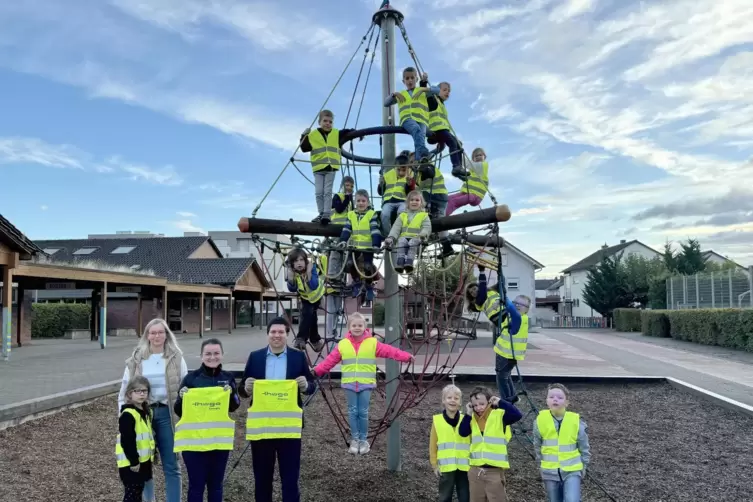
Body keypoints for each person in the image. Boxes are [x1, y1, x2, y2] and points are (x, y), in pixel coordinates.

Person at [239, 317, 317, 502]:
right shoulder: (255, 357)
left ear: (287, 335)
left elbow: (312, 385)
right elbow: (242, 389)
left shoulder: (298, 357)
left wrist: (306, 385)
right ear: (267, 335)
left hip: (288, 429)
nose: (277, 335)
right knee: (262, 479)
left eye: (281, 332)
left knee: (290, 479)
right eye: (273, 332)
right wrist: (245, 388)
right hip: (262, 428)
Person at [313, 312, 413, 454]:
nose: (357, 328)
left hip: (366, 383)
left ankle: (363, 440)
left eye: (360, 325)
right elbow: (329, 361)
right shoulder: (343, 344)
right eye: (354, 325)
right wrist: (316, 371)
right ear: (349, 327)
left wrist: (406, 357)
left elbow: (390, 351)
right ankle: (355, 439)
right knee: (353, 411)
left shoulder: (372, 343)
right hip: (349, 383)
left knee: (363, 412)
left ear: (365, 327)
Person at [118, 318, 187, 502]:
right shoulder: (136, 359)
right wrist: (123, 415)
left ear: (166, 335)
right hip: (142, 415)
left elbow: (185, 386)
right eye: (153, 332)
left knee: (171, 465)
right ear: (147, 335)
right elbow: (125, 389)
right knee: (144, 463)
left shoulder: (176, 357)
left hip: (166, 414)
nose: (157, 336)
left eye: (161, 332)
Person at [173, 338, 241, 502]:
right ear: (201, 356)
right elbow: (178, 411)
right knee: (196, 487)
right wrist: (182, 398)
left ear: (222, 355)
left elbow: (235, 406)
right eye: (208, 354)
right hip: (194, 443)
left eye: (216, 353)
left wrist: (231, 393)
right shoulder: (191, 379)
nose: (212, 357)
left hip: (218, 442)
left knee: (216, 486)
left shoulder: (228, 378)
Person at [458, 386, 523, 502]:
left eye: (482, 404)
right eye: (475, 405)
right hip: (475, 470)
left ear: (489, 401)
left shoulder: (499, 415)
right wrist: (468, 413)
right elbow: (462, 432)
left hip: (495, 470)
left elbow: (517, 415)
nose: (478, 408)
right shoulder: (471, 418)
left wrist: (500, 402)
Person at [533, 384, 591, 502]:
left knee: (571, 499)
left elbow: (584, 446)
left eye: (560, 397)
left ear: (567, 402)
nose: (555, 399)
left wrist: (583, 466)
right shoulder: (540, 421)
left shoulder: (576, 421)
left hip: (572, 470)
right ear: (546, 401)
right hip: (549, 471)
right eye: (551, 397)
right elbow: (537, 445)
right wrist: (540, 464)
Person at [299, 110, 355, 224]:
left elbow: (347, 133)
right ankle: (321, 213)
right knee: (319, 192)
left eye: (330, 122)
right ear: (319, 122)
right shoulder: (313, 135)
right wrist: (303, 135)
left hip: (331, 167)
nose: (327, 123)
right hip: (318, 168)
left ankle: (326, 214)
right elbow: (304, 148)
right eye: (325, 121)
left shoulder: (336, 133)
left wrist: (356, 133)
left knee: (327, 191)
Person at [384, 67, 438, 166]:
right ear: (403, 81)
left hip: (421, 120)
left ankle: (419, 161)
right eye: (407, 78)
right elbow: (386, 103)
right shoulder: (401, 94)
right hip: (407, 119)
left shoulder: (422, 91)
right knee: (417, 131)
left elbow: (437, 90)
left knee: (420, 137)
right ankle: (423, 153)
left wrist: (424, 87)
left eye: (412, 78)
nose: (410, 80)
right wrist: (394, 94)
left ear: (416, 79)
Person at [337, 189, 382, 301]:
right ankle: (356, 282)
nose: (361, 203)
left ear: (368, 202)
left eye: (363, 201)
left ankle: (368, 285)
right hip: (354, 246)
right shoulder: (351, 214)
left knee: (367, 266)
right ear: (355, 202)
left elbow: (375, 230)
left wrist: (376, 244)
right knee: (349, 264)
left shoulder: (371, 214)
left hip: (367, 246)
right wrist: (343, 240)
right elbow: (347, 229)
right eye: (358, 201)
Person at [116, 376, 155, 502]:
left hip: (142, 463)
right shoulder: (128, 415)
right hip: (131, 464)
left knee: (137, 495)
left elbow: (148, 437)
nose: (142, 394)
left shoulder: (145, 412)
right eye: (137, 391)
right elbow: (127, 441)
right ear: (129, 394)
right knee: (132, 496)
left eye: (144, 391)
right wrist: (134, 462)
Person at [430, 384, 470, 502]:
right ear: (443, 400)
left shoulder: (466, 419)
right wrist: (434, 464)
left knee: (465, 496)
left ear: (460, 402)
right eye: (449, 397)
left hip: (465, 466)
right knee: (445, 496)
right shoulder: (437, 420)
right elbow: (433, 444)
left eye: (456, 398)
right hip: (446, 467)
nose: (453, 400)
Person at [285, 247, 326, 352]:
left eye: (301, 260)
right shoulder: (293, 272)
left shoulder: (312, 268)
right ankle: (314, 339)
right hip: (305, 298)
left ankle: (301, 338)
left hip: (317, 297)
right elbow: (292, 289)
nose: (299, 263)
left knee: (308, 314)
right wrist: (290, 279)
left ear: (305, 261)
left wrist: (308, 274)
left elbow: (313, 286)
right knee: (310, 316)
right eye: (295, 261)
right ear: (292, 264)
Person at [384, 189, 431, 273]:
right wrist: (391, 238)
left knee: (413, 243)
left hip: (416, 238)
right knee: (401, 242)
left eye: (417, 200)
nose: (414, 202)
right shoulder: (403, 215)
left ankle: (409, 262)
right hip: (404, 237)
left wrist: (423, 234)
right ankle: (400, 262)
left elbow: (426, 227)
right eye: (411, 200)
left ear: (421, 203)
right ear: (408, 203)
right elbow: (396, 228)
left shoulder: (424, 215)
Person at [426, 82, 466, 180]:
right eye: (444, 90)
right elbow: (428, 94)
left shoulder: (442, 105)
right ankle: (456, 166)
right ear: (437, 91)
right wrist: (425, 83)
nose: (447, 92)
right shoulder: (434, 100)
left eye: (449, 91)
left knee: (458, 144)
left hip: (443, 129)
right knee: (452, 142)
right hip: (436, 130)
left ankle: (459, 168)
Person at [377, 153, 416, 236]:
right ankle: (389, 236)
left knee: (402, 213)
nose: (401, 173)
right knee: (384, 214)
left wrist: (409, 185)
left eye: (404, 170)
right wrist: (381, 185)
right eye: (398, 170)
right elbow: (381, 192)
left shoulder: (411, 174)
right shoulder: (387, 175)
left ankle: (399, 233)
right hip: (388, 201)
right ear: (395, 167)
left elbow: (411, 193)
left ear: (408, 168)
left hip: (403, 201)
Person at [446, 148, 489, 216]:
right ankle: (439, 212)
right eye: (476, 156)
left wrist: (458, 152)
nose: (478, 157)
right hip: (467, 193)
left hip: (476, 196)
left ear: (484, 156)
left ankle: (442, 216)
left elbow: (467, 164)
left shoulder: (483, 166)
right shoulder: (472, 172)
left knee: (453, 201)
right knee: (447, 199)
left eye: (480, 155)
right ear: (473, 159)